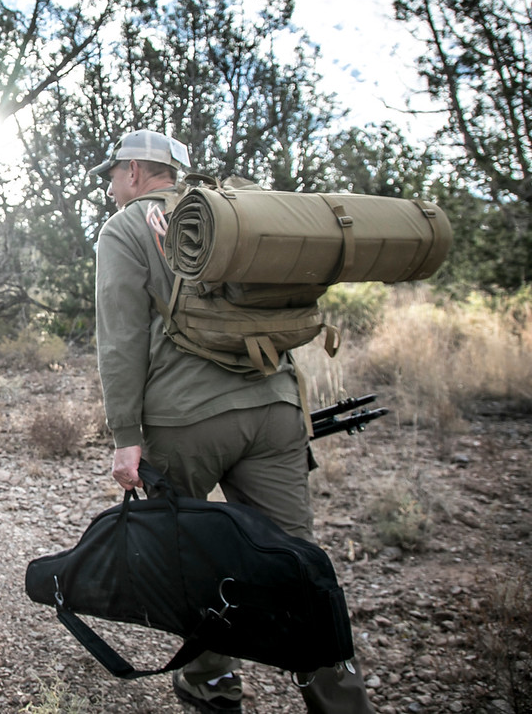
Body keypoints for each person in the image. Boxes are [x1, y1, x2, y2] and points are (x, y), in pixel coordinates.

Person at [91, 130, 373, 714]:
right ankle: (340, 700)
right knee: (298, 559)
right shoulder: (236, 217)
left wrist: (126, 436)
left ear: (139, 173)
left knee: (191, 556)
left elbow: (119, 340)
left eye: (113, 174)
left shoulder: (124, 228)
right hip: (275, 411)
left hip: (184, 421)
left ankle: (212, 687)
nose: (110, 185)